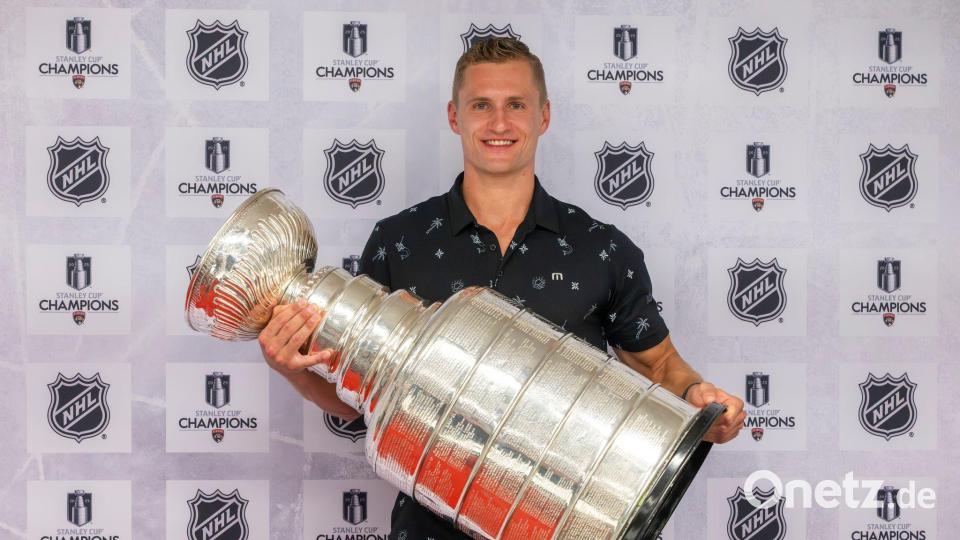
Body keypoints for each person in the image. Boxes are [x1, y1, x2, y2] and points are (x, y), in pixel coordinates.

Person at [258, 38, 746, 539]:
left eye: (516, 105)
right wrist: (292, 369)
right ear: (454, 116)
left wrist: (697, 397)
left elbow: (659, 365)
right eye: (480, 105)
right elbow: (361, 395)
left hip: (570, 525)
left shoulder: (601, 246)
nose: (498, 123)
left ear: (543, 115)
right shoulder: (398, 239)